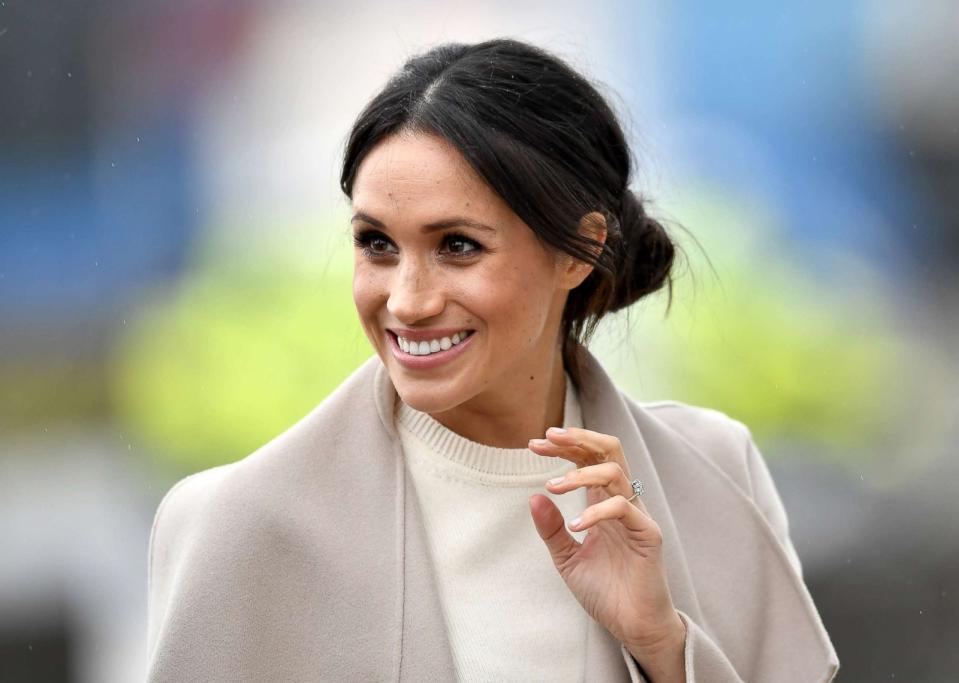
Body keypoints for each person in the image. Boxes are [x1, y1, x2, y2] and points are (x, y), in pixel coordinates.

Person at [145, 38, 839, 682]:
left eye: (457, 245)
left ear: (577, 248)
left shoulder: (715, 475)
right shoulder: (239, 524)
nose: (407, 301)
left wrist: (660, 645)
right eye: (376, 243)